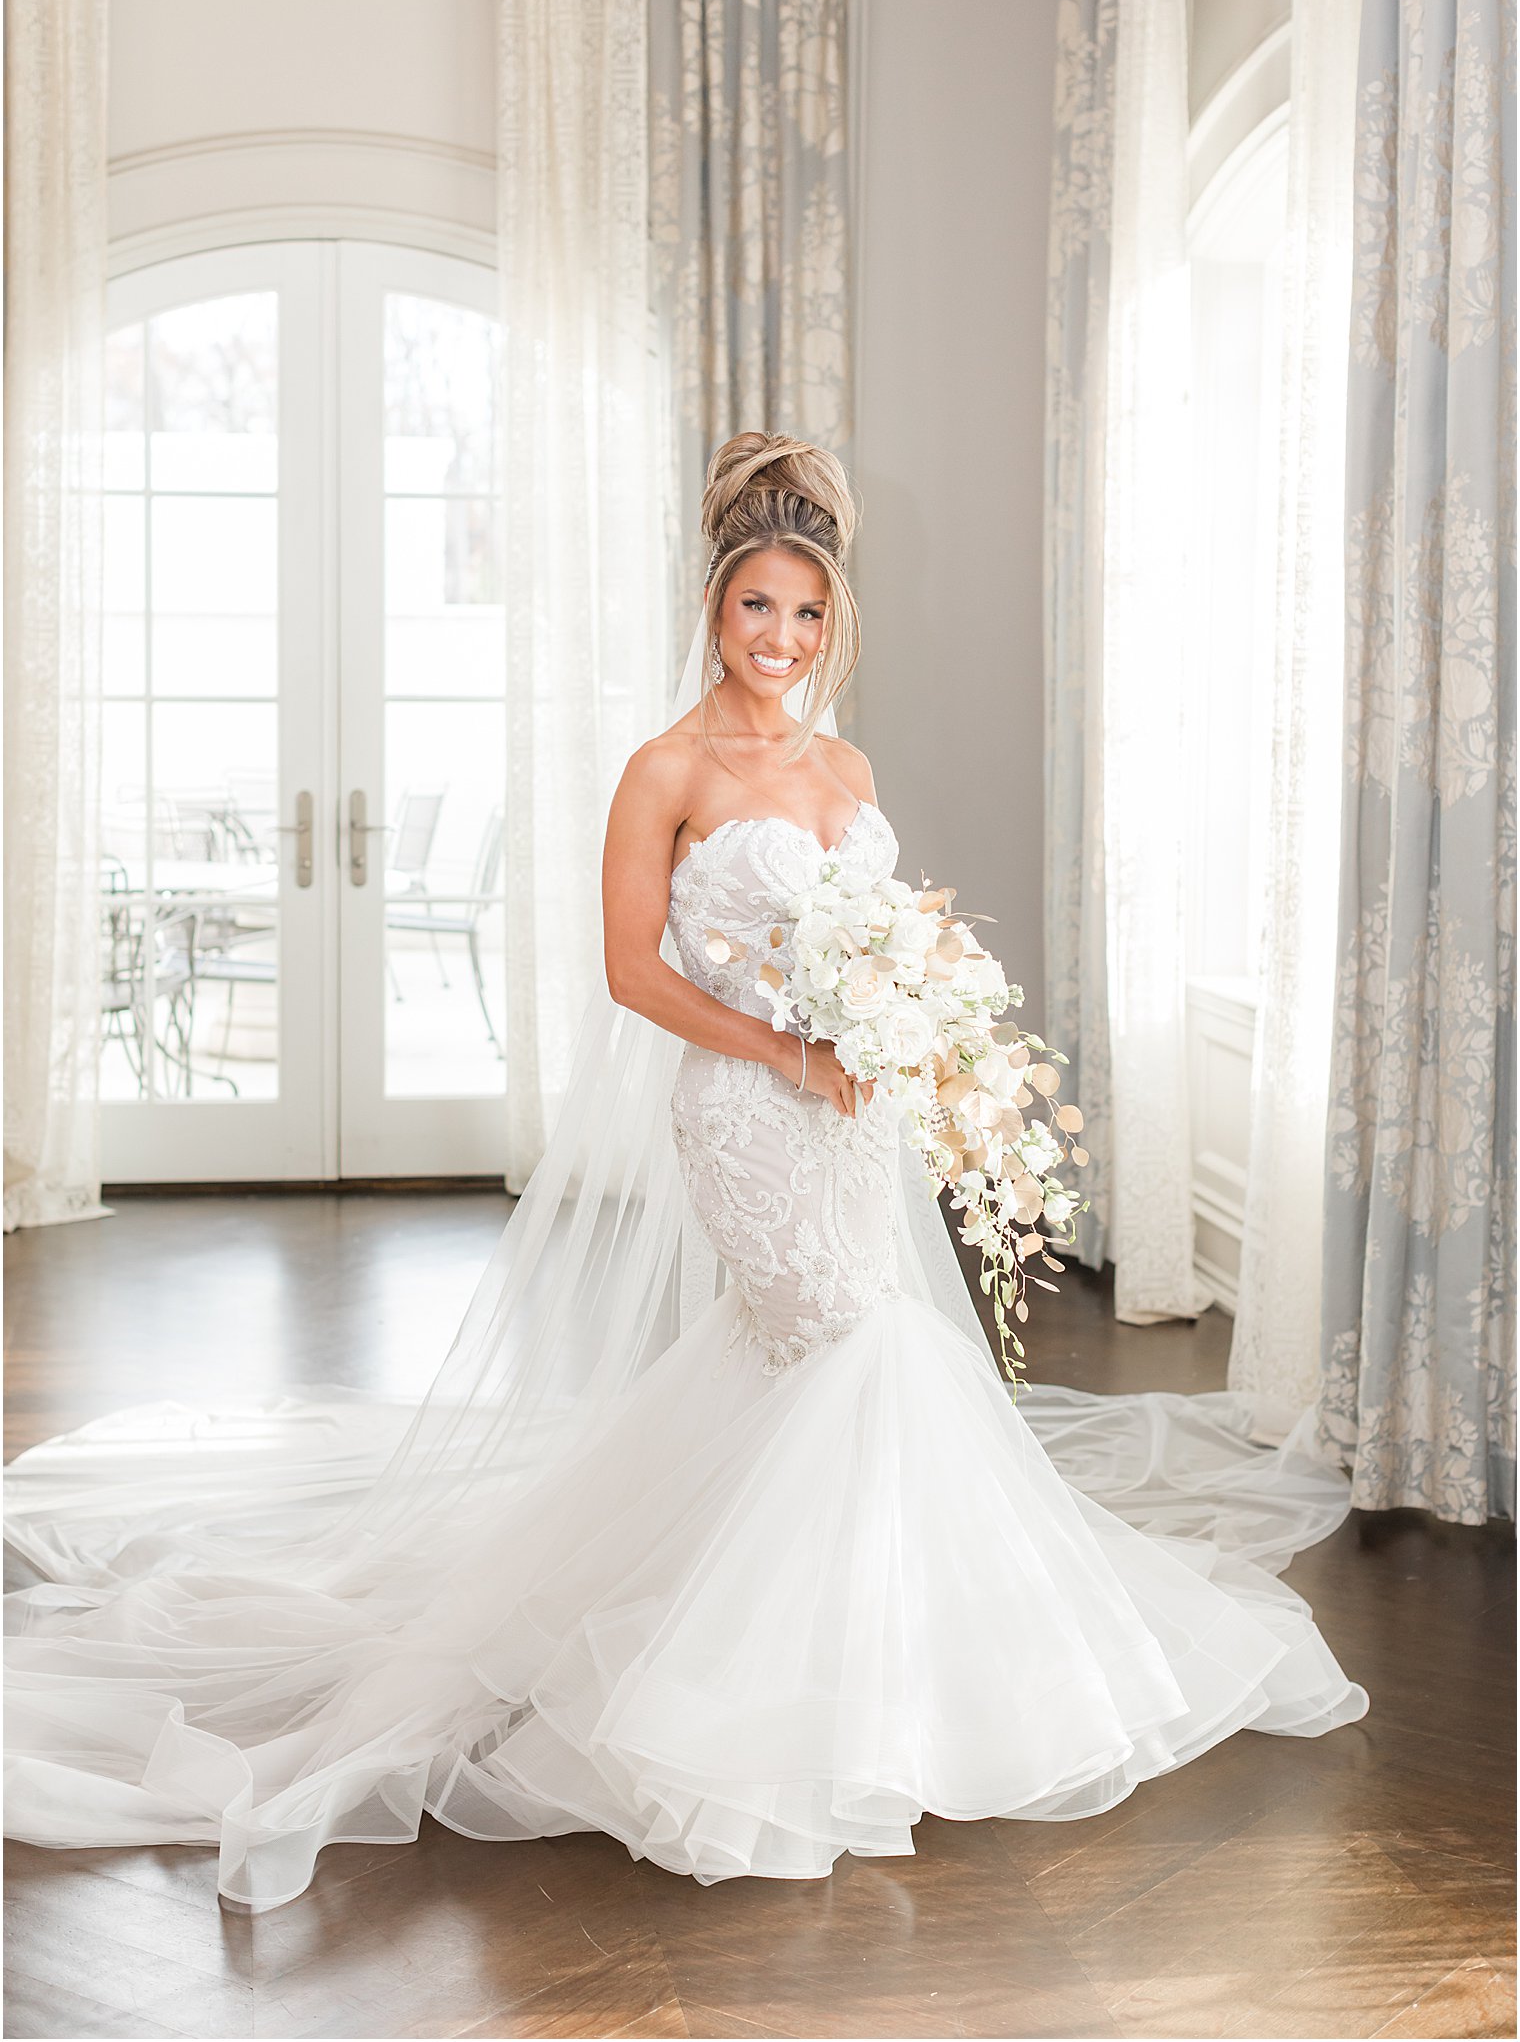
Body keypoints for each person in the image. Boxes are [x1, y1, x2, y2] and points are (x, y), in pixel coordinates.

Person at [3, 432, 1367, 1914]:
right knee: (859, 1343)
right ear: (713, 609)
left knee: (819, 1361)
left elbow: (880, 942)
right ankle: (789, 1698)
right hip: (745, 1105)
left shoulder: (846, 762)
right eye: (755, 609)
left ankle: (870, 1656)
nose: (781, 640)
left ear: (835, 620)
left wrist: (913, 1035)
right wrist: (792, 1056)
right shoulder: (667, 768)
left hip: (855, 1109)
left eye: (807, 613)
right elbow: (630, 971)